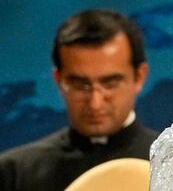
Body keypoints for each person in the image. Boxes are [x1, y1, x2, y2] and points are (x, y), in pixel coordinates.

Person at [0, 10, 158, 191]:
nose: (95, 103)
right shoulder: (13, 173)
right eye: (80, 85)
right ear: (58, 80)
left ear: (139, 77)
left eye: (110, 83)